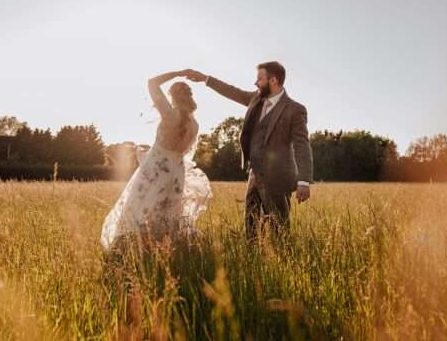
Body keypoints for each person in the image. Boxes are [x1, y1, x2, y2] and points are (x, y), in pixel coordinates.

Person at [186, 62, 313, 240]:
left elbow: (302, 145)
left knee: (280, 230)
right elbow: (232, 91)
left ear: (274, 80)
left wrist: (304, 181)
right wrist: (205, 79)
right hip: (254, 174)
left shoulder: (295, 110)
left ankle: (281, 263)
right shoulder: (256, 98)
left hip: (278, 177)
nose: (256, 83)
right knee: (251, 226)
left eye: (260, 79)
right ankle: (254, 259)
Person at [100, 70, 212, 250]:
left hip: (155, 170)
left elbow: (152, 82)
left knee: (138, 209)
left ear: (172, 97)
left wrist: (178, 73)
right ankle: (165, 251)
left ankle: (135, 251)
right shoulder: (195, 125)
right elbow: (182, 153)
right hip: (177, 173)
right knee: (168, 215)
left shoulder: (169, 114)